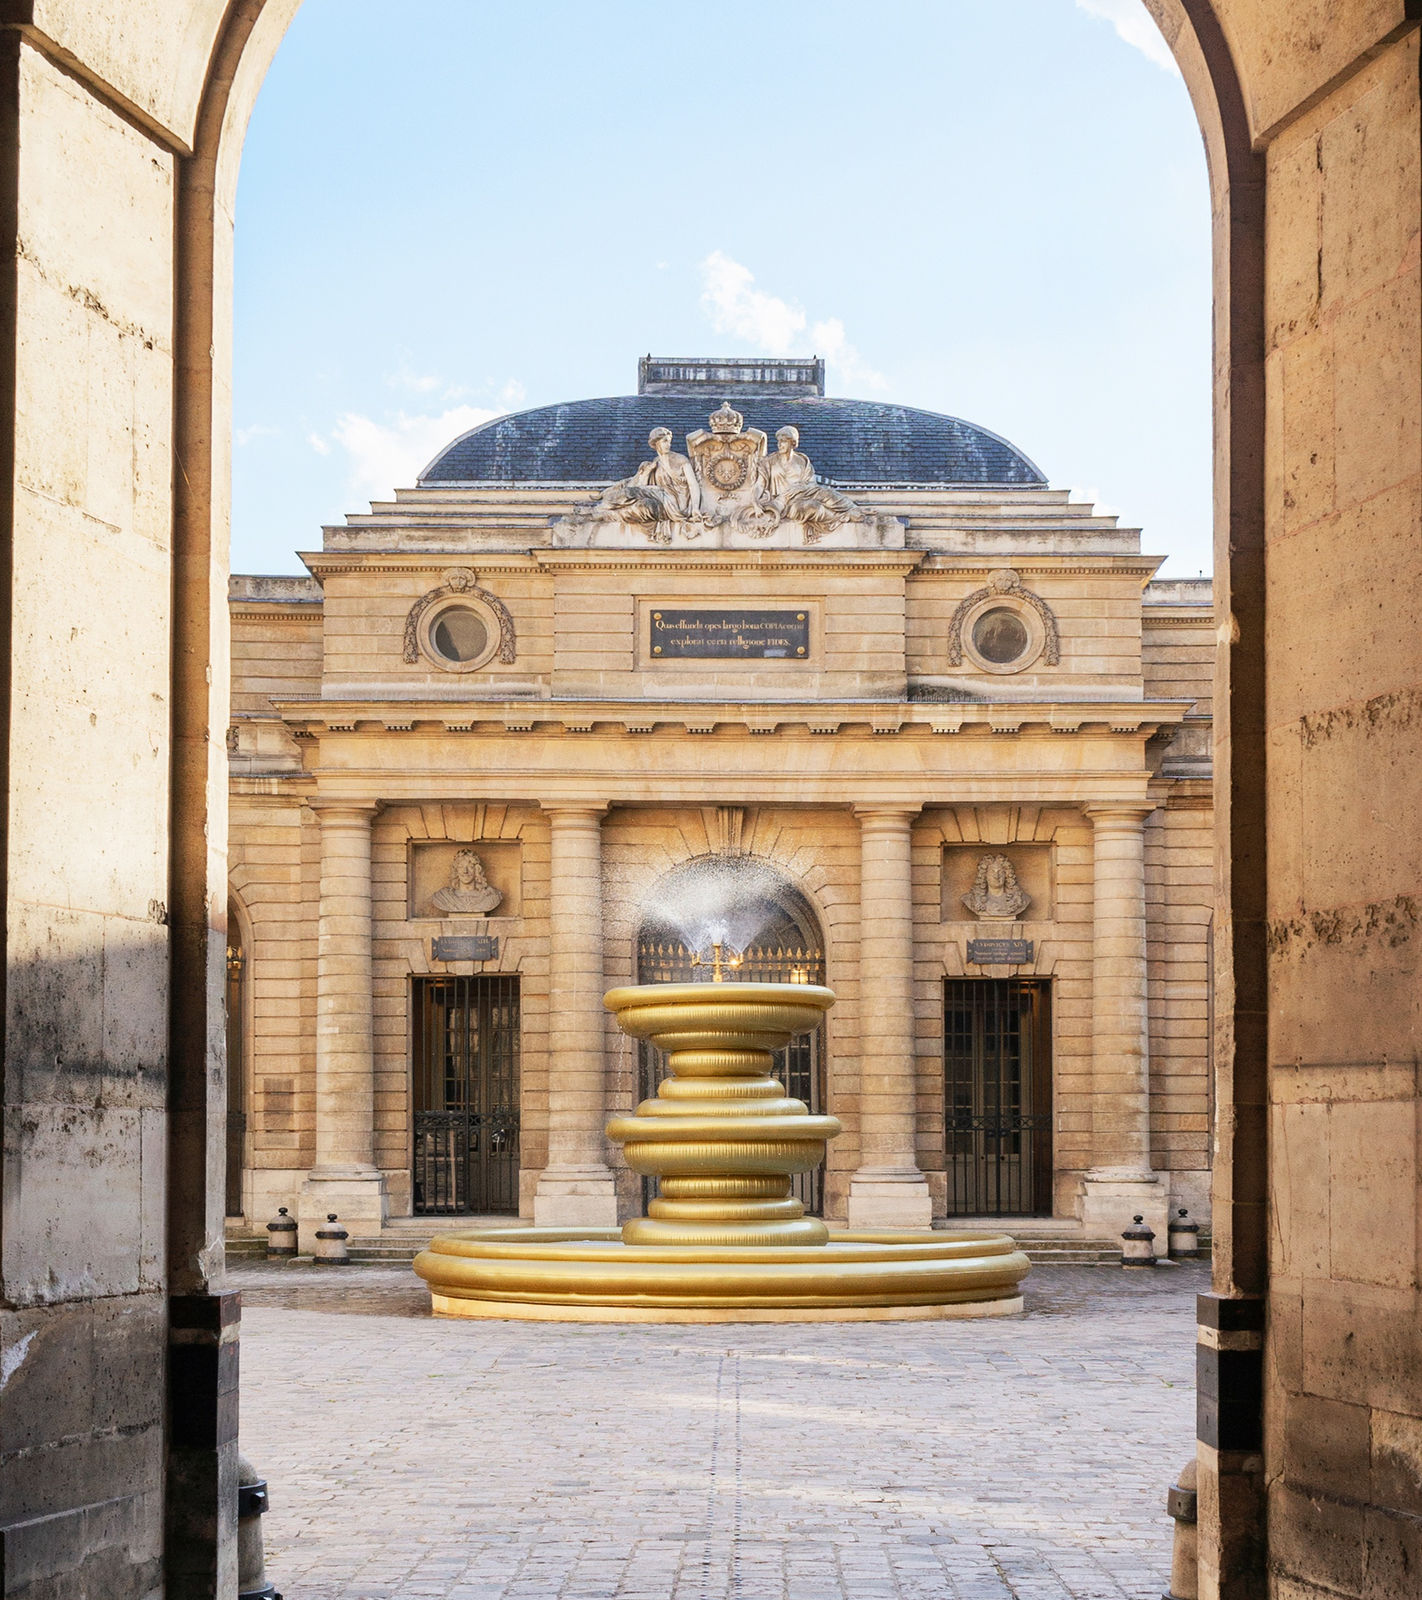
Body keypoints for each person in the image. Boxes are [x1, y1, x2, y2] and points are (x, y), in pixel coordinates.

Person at [593, 427, 702, 541]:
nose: (668, 445)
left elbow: (693, 485)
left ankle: (599, 509)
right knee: (642, 507)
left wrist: (695, 508)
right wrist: (648, 471)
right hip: (661, 503)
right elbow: (637, 482)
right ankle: (605, 514)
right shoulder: (656, 462)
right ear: (656, 443)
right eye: (665, 441)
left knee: (629, 492)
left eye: (669, 441)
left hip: (677, 503)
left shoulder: (680, 460)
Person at [757, 426, 860, 542]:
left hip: (803, 494)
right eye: (778, 441)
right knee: (813, 507)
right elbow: (759, 484)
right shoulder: (770, 461)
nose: (779, 444)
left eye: (783, 441)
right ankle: (843, 517)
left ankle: (852, 508)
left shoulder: (802, 461)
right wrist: (755, 501)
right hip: (785, 503)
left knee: (826, 493)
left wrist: (799, 489)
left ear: (792, 442)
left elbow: (811, 483)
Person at [431, 849, 503, 915]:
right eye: (461, 867)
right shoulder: (444, 896)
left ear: (477, 870)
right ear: (456, 871)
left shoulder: (490, 896)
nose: (465, 871)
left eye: (470, 867)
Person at [962, 854, 1031, 919]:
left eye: (1000, 872)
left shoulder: (1020, 899)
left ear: (1007, 875)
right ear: (984, 875)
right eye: (992, 872)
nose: (996, 876)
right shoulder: (972, 899)